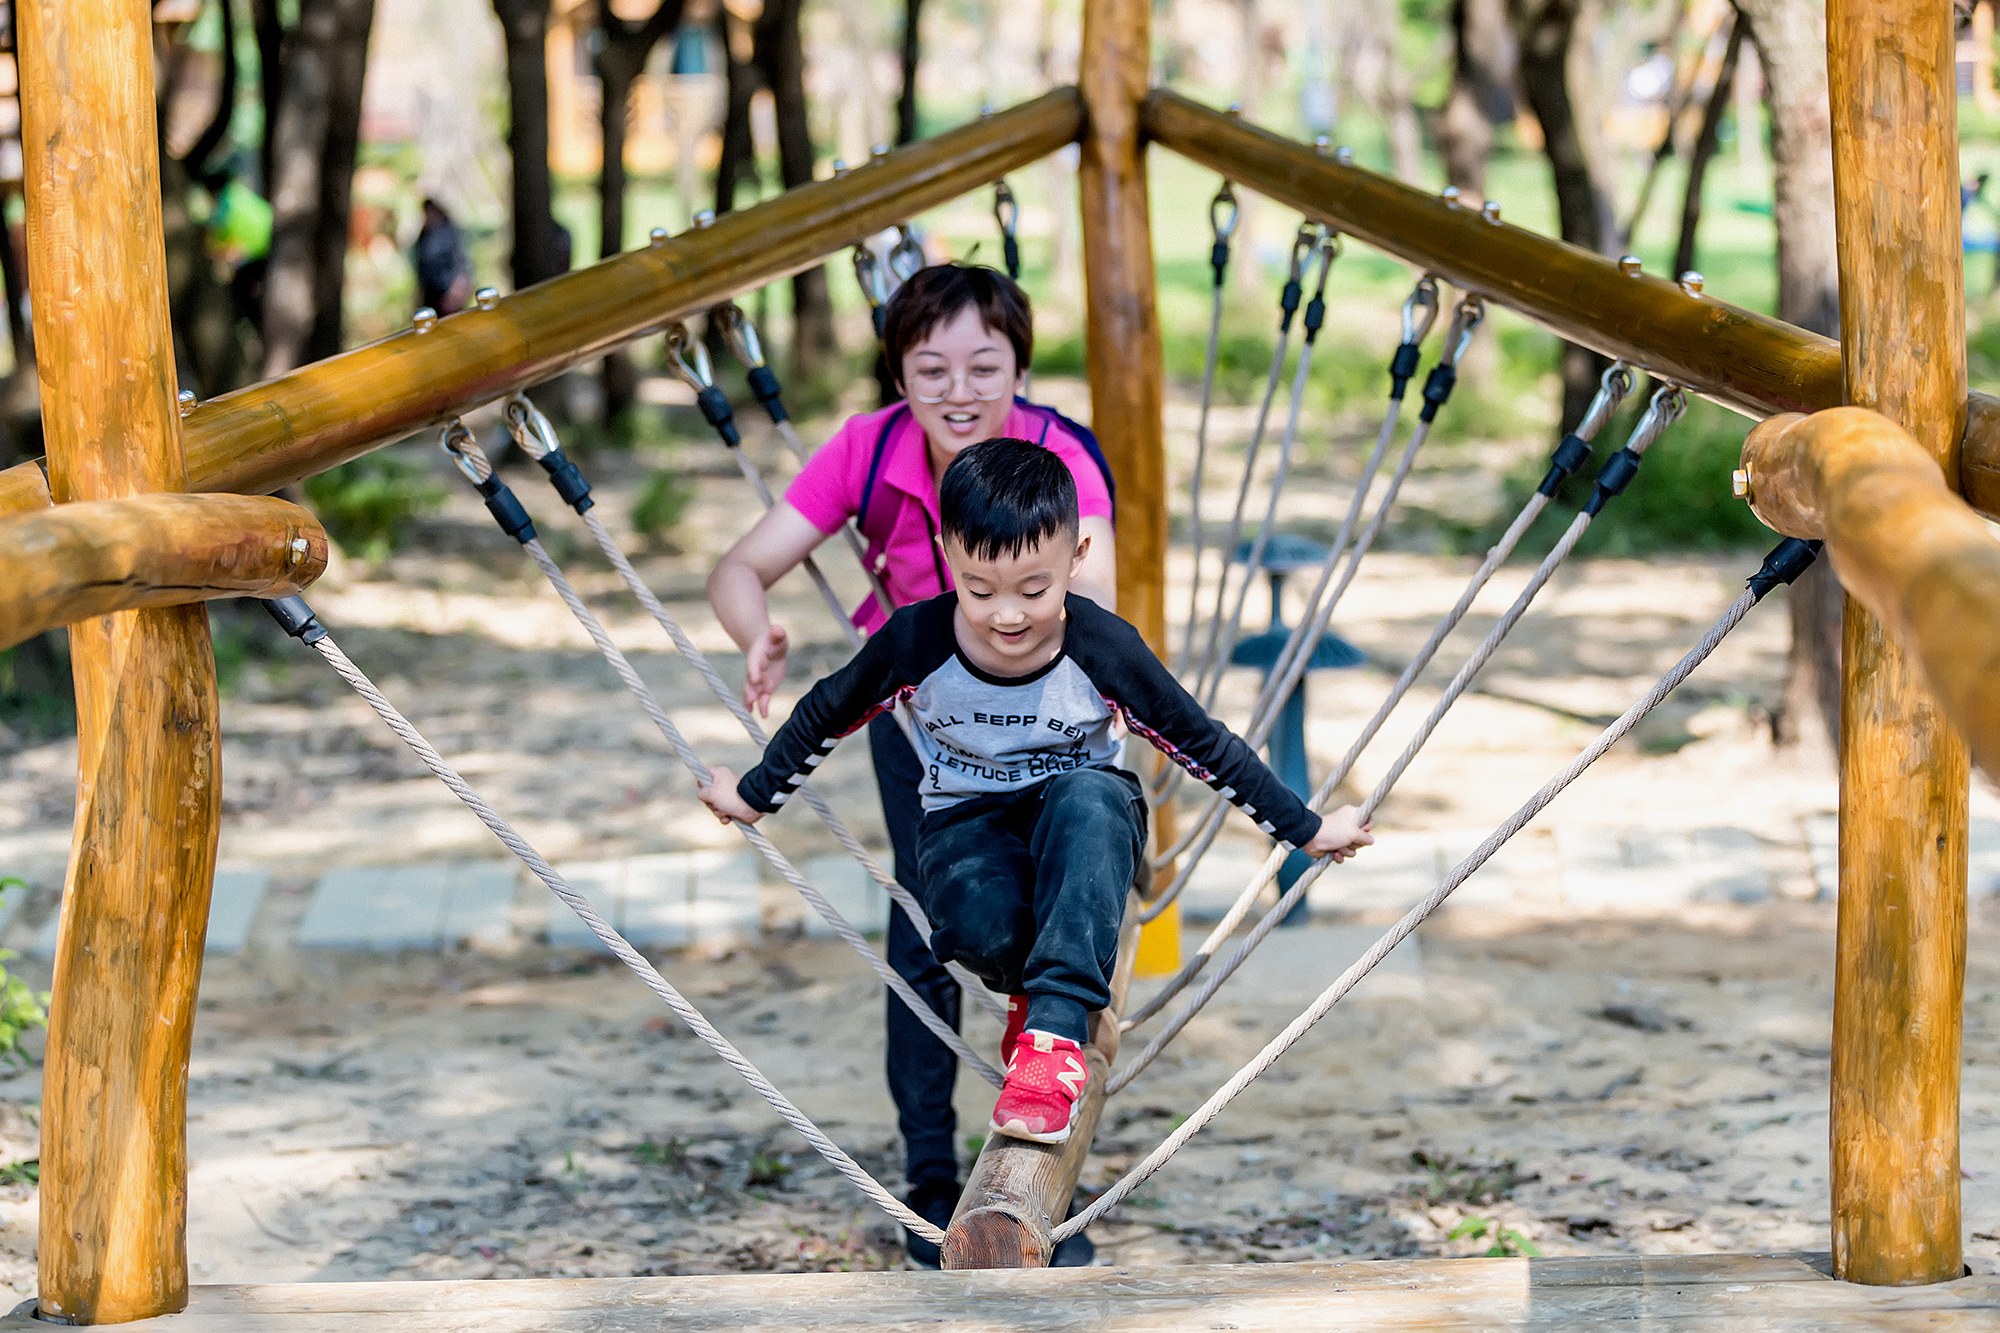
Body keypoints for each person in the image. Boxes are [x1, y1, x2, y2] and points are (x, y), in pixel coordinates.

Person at [698, 437, 1373, 1149]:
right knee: (970, 924)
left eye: (1034, 589)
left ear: (1076, 558)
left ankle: (1052, 1037)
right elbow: (826, 710)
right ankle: (1047, 997)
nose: (1008, 616)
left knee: (1089, 799)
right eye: (980, 589)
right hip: (968, 818)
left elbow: (1200, 740)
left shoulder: (1102, 646)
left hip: (1082, 817)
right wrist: (753, 793)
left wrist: (1303, 827)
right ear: (945, 552)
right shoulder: (917, 639)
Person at [705, 264, 1116, 1266]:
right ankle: (930, 1172)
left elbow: (1095, 601)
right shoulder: (870, 445)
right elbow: (738, 567)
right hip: (918, 723)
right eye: (929, 367)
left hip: (1051, 726)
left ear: (1019, 364)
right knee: (923, 917)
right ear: (897, 372)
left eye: (984, 364)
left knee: (1056, 914)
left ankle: (1042, 1156)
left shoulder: (1059, 453)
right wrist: (755, 632)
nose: (958, 390)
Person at [413, 198, 472, 315]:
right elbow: (421, 267)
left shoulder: (451, 233)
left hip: (449, 290)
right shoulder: (424, 236)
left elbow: (461, 262)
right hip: (430, 292)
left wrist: (456, 291)